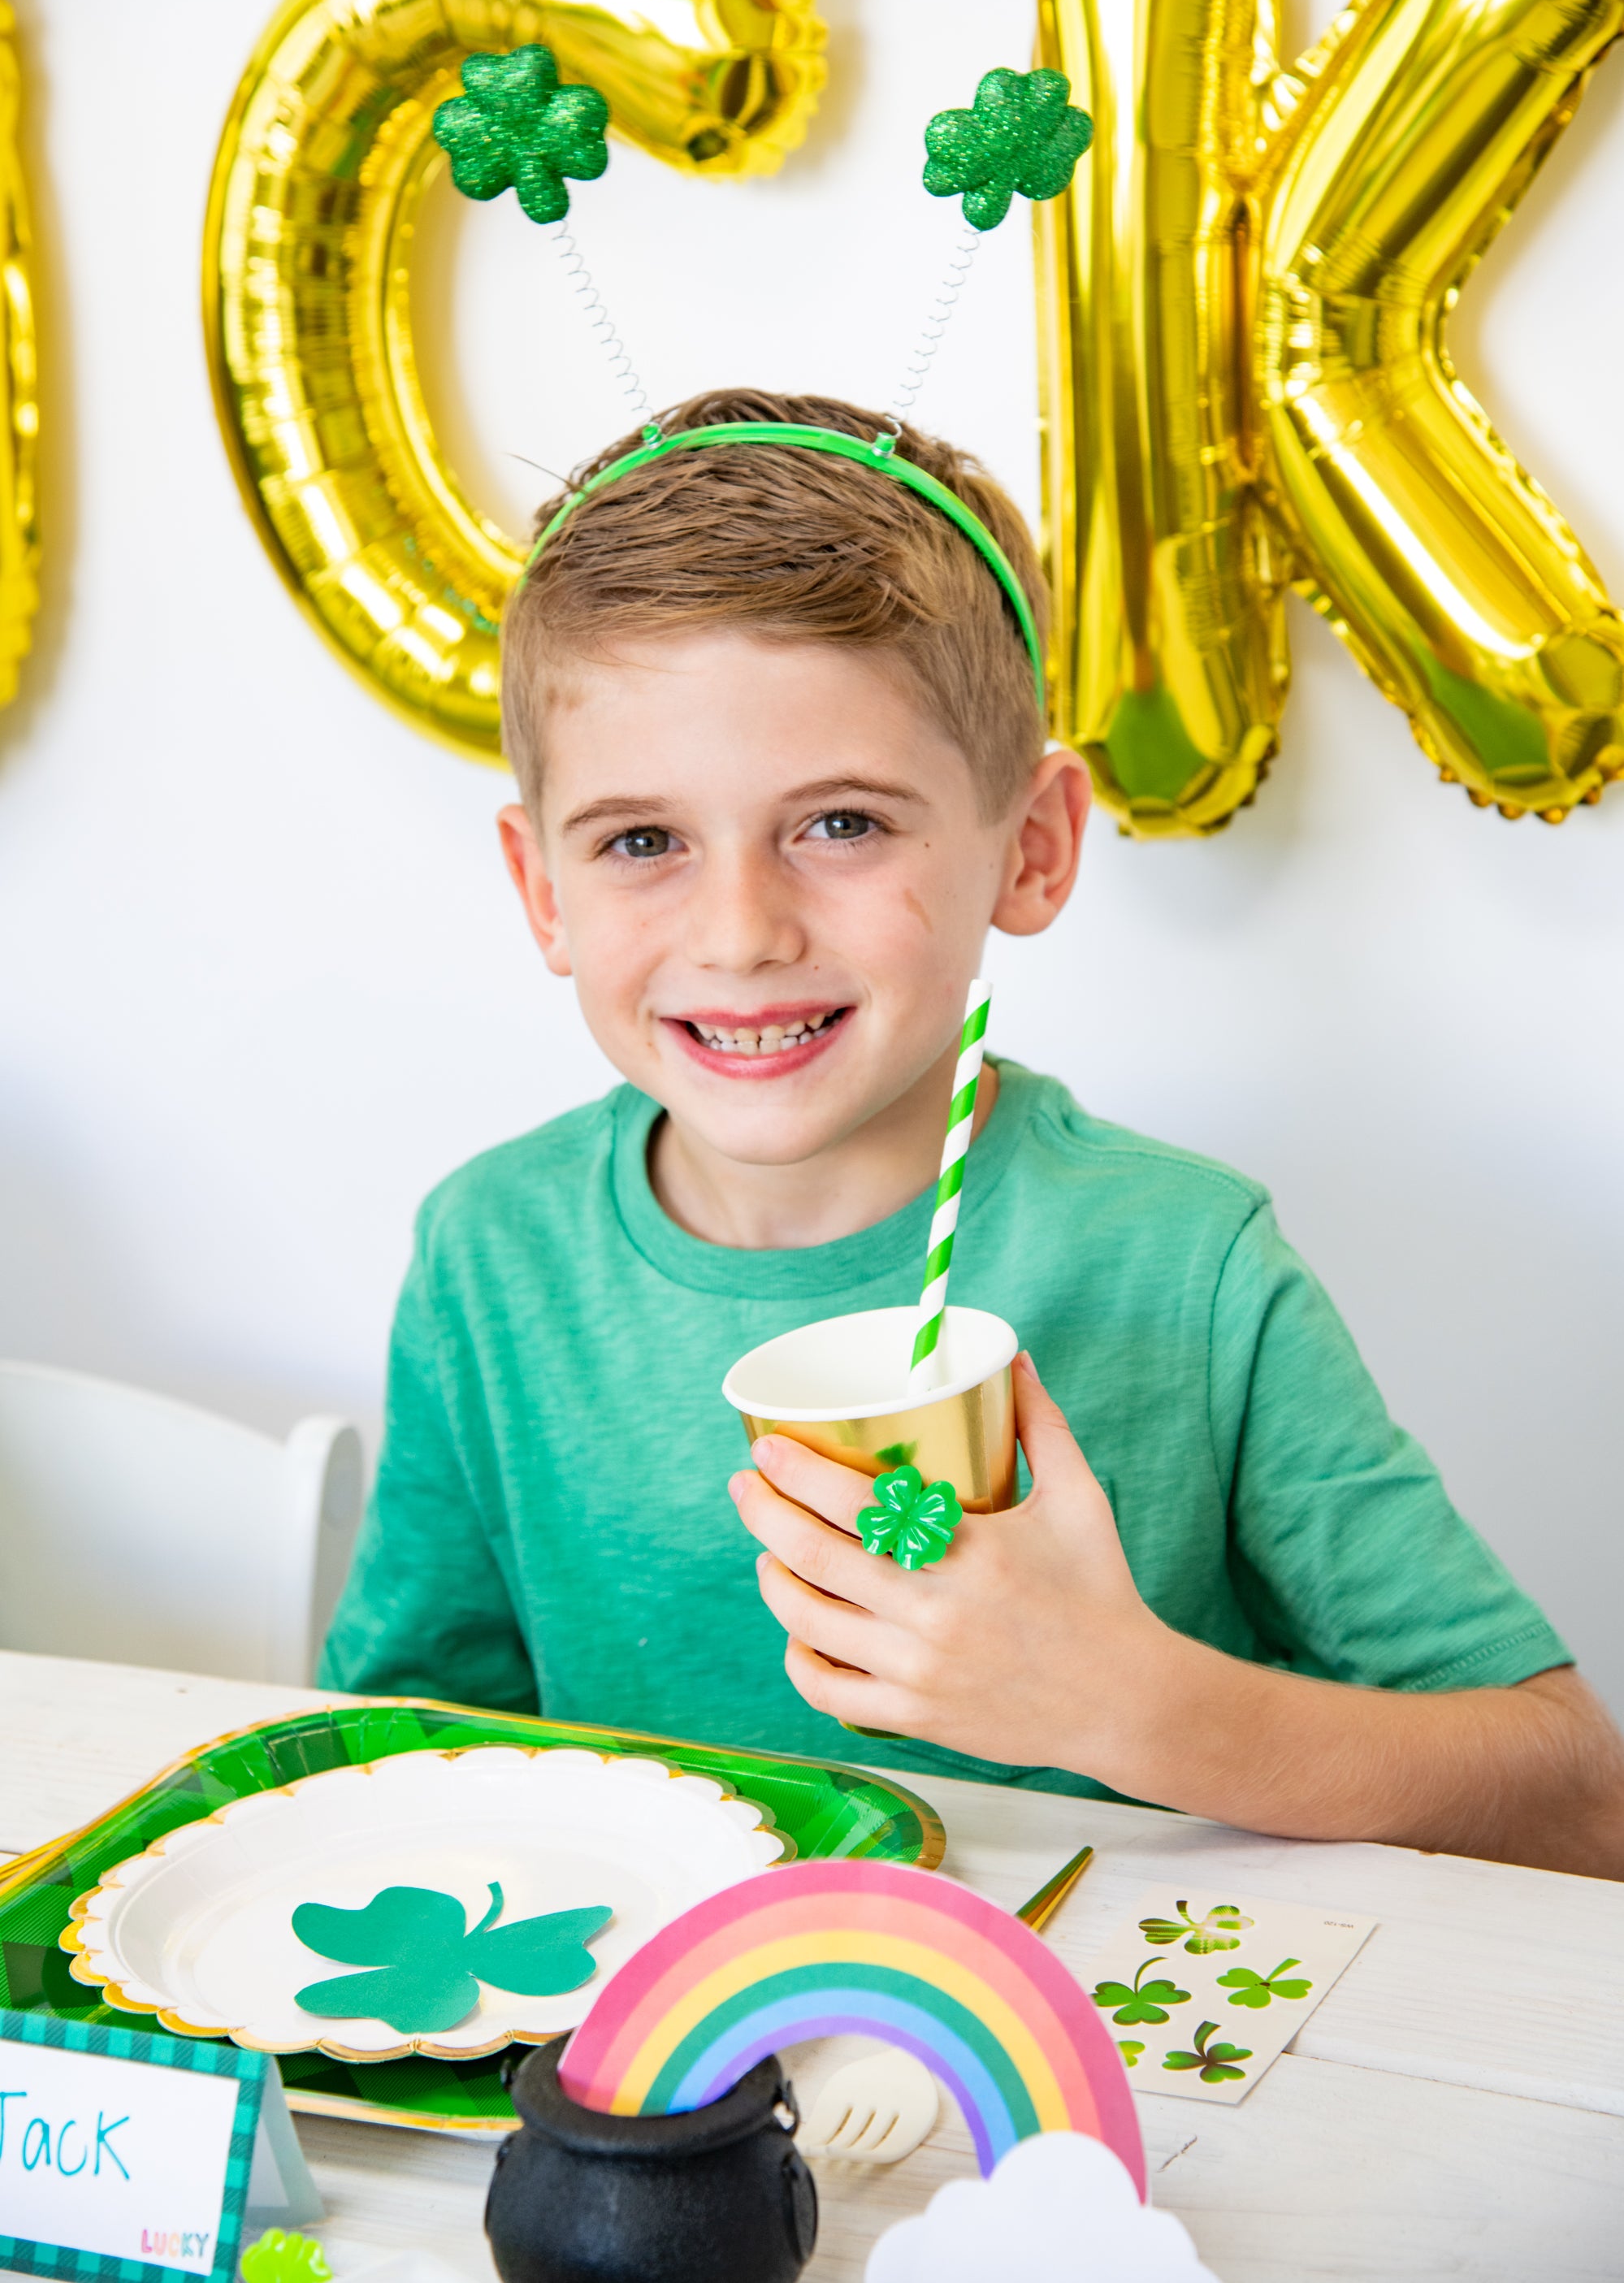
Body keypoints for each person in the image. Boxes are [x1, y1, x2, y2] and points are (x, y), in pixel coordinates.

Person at [319, 386, 1624, 1878]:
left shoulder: (1185, 1267)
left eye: (843, 824)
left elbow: (1579, 1796)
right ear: (542, 888)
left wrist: (1132, 1706)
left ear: (1036, 844)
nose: (742, 934)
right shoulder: (492, 1255)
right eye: (641, 842)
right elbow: (405, 1749)